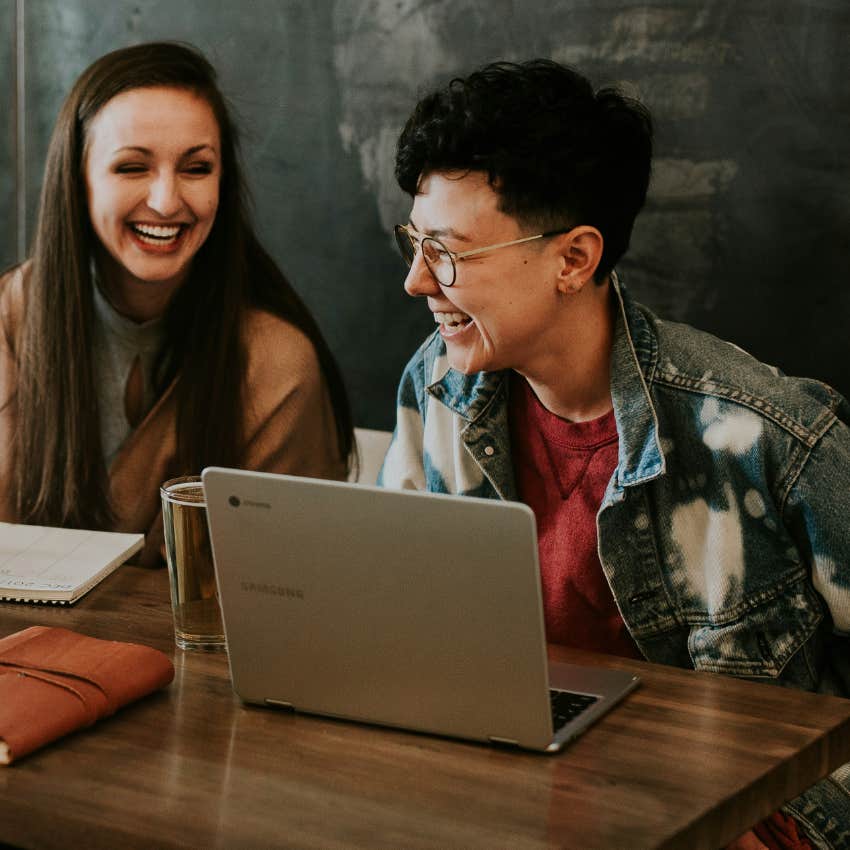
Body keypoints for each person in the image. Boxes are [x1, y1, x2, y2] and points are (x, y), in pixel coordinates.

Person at [379, 59, 850, 849]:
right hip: (515, 794)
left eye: (448, 251)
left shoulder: (763, 433)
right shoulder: (436, 388)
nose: (415, 280)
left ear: (574, 259)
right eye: (413, 242)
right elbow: (400, 623)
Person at [0, 42, 354, 565]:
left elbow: (293, 585)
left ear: (223, 183)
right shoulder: (9, 322)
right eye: (131, 168)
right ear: (78, 181)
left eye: (196, 168)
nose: (167, 201)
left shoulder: (277, 365)